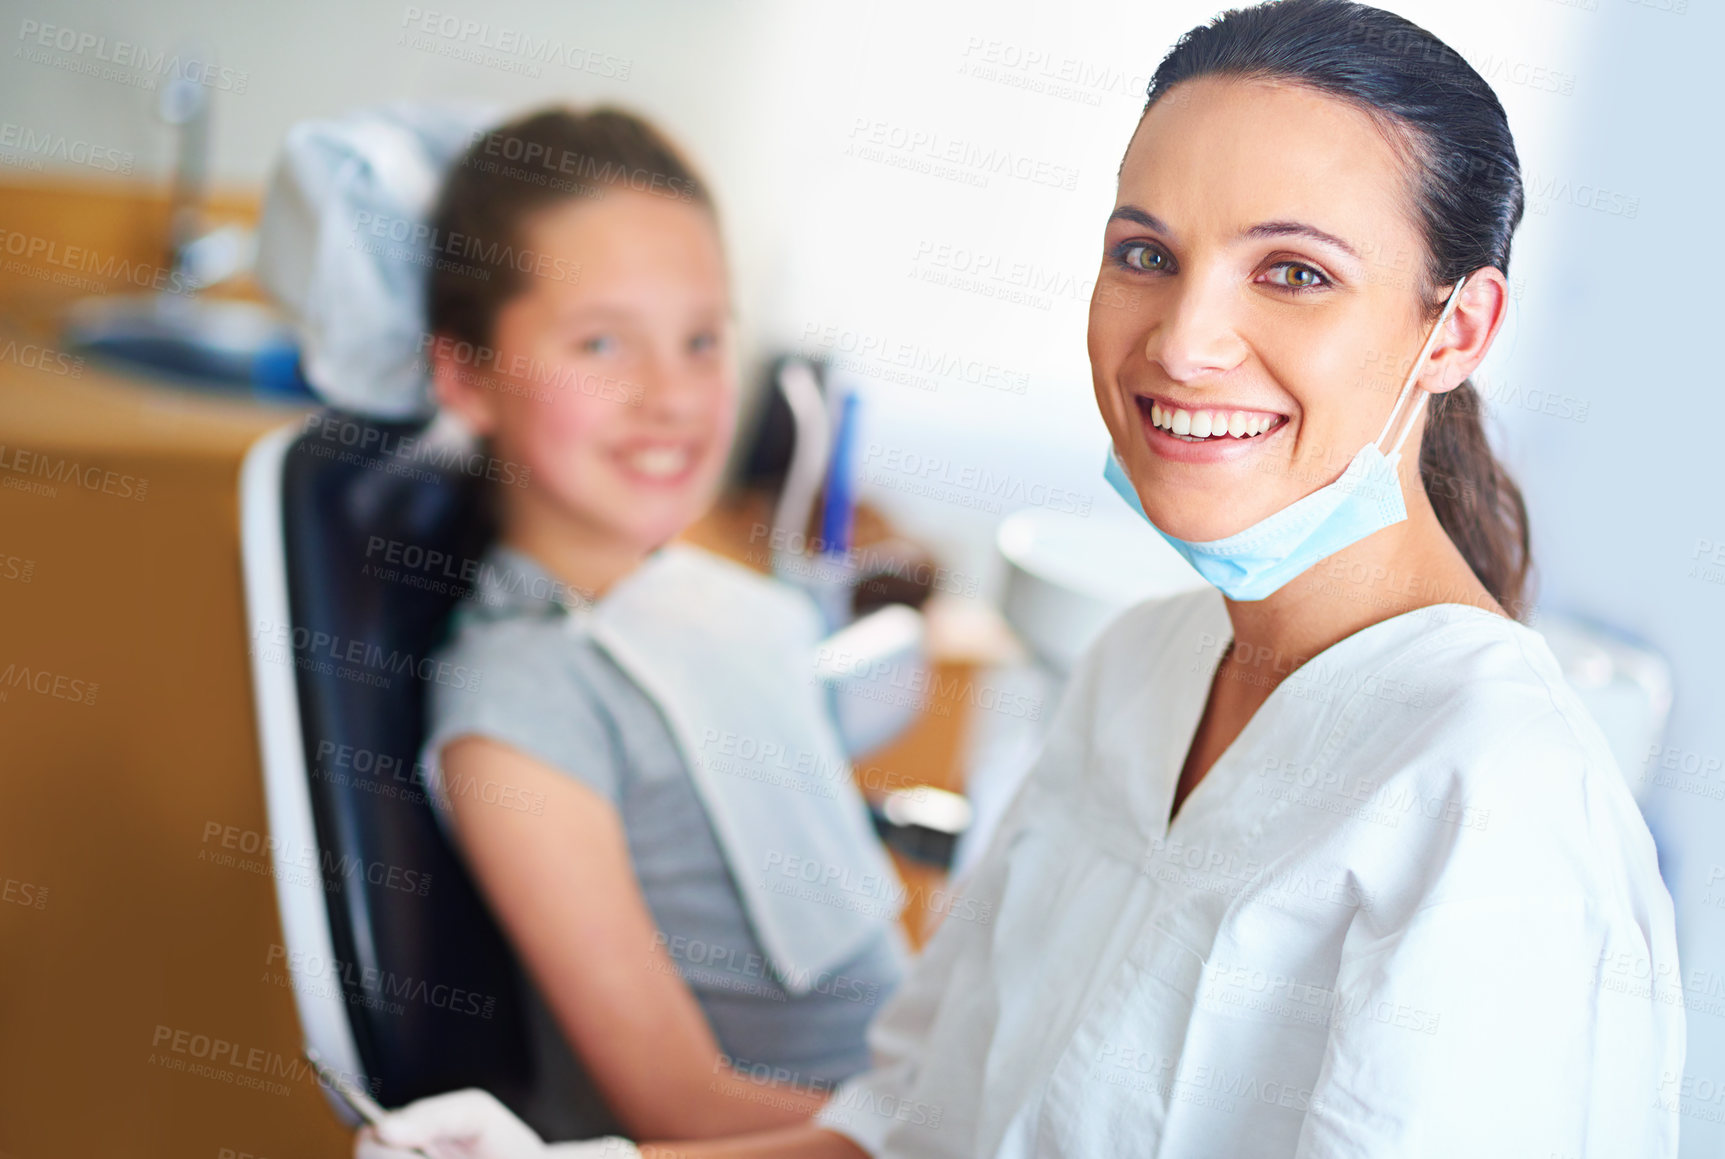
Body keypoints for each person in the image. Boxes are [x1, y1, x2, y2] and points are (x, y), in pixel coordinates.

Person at [357, 3, 1683, 1156]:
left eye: (1294, 272)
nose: (1185, 337)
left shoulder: (1493, 803)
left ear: (1455, 328)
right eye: (1145, 254)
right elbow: (906, 1132)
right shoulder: (1135, 672)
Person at [357, 107, 908, 1149]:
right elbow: (683, 1107)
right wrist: (976, 1129)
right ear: (467, 376)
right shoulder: (520, 711)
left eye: (701, 339)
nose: (671, 395)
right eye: (603, 342)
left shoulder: (711, 601)